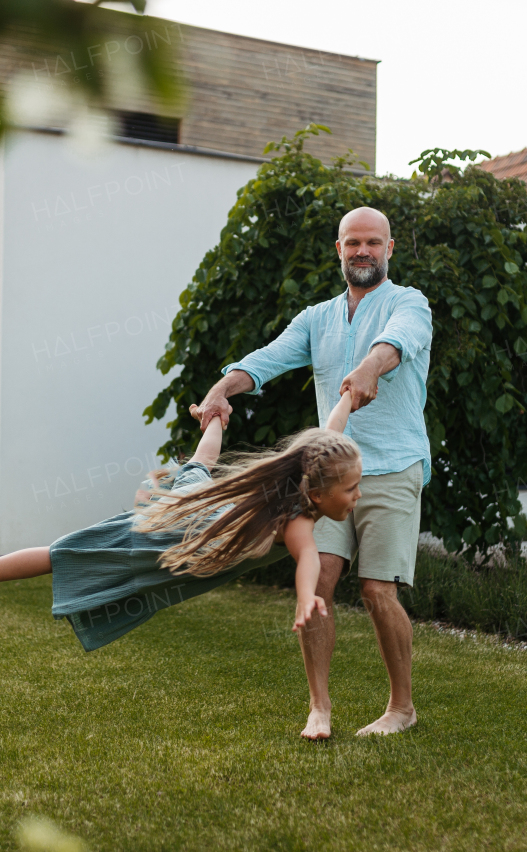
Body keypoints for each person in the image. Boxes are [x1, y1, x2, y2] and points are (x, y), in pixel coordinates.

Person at [196, 206, 432, 740]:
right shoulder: (316, 318)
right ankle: (319, 709)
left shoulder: (409, 302)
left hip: (393, 467)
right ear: (339, 250)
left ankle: (402, 707)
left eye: (373, 242)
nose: (363, 251)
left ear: (389, 249)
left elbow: (399, 341)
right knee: (318, 580)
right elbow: (267, 359)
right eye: (353, 243)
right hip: (329, 476)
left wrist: (371, 367)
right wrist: (221, 389)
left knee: (377, 590)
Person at [0, 393, 359, 660]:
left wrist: (348, 399)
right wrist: (305, 598)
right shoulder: (298, 515)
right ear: (318, 494)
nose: (358, 496)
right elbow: (307, 559)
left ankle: (217, 417)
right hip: (169, 537)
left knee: (200, 464)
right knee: (64, 556)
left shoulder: (308, 473)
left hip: (190, 509)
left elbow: (330, 432)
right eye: (353, 489)